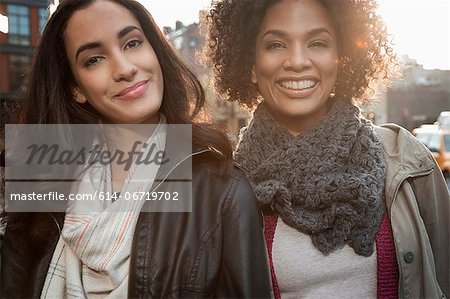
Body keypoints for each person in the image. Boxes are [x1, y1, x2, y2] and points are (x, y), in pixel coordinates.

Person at [0, 0, 273, 297]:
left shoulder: (224, 192)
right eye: (94, 59)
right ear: (74, 87)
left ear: (154, 50)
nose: (125, 69)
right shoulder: (41, 193)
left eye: (132, 43)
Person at [202, 0, 450, 298]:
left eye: (317, 43)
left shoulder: (407, 159)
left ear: (341, 58)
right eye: (276, 44)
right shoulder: (226, 186)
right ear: (251, 66)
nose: (297, 61)